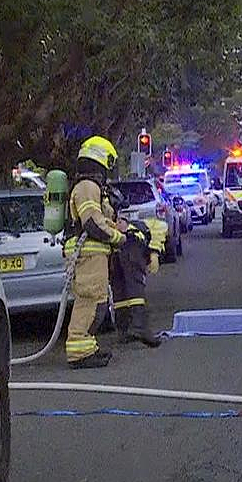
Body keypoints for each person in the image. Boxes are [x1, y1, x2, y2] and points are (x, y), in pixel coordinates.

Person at [63, 135, 126, 369]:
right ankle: (78, 350)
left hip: (93, 252)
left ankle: (87, 347)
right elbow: (91, 222)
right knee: (90, 301)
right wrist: (117, 237)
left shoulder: (92, 187)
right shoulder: (87, 186)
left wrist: (116, 224)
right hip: (88, 252)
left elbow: (100, 219)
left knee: (98, 302)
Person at [109, 191, 166, 348]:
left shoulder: (139, 227)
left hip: (117, 247)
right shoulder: (141, 227)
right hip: (128, 247)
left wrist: (154, 252)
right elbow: (161, 226)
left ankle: (124, 331)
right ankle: (138, 328)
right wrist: (154, 252)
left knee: (119, 289)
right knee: (132, 289)